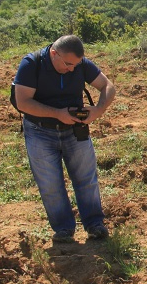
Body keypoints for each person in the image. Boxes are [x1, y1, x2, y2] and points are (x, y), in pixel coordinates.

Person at [13, 35, 115, 243]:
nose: (72, 69)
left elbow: (107, 86)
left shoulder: (79, 64)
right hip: (40, 131)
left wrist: (98, 110)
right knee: (50, 184)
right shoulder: (31, 64)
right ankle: (63, 229)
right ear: (54, 53)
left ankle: (95, 224)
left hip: (74, 130)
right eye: (68, 64)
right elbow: (22, 102)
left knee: (86, 178)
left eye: (76, 65)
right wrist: (57, 113)